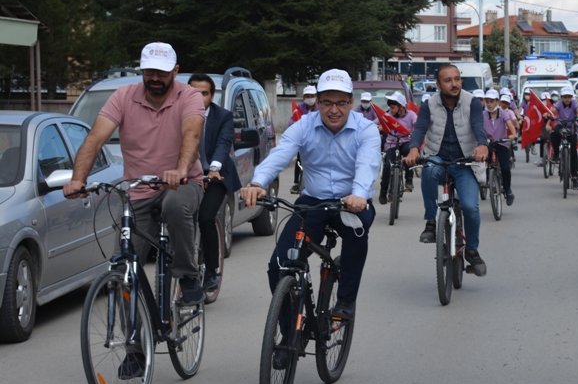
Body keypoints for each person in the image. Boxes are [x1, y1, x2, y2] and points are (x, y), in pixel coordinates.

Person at [64, 42, 206, 307]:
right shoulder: (123, 96)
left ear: (175, 71)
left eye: (162, 72)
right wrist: (78, 179)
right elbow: (95, 138)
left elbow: (192, 133)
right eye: (149, 71)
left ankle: (187, 276)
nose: (155, 78)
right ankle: (133, 332)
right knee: (124, 267)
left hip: (181, 183)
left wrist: (180, 170)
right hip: (138, 189)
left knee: (174, 206)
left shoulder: (189, 96)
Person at [240, 69, 379, 327]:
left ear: (351, 102)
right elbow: (280, 155)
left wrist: (359, 195)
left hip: (351, 203)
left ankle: (346, 300)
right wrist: (258, 183)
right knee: (280, 265)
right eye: (326, 102)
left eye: (341, 103)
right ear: (317, 102)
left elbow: (367, 164)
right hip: (313, 202)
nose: (333, 110)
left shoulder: (366, 129)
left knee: (357, 235)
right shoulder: (304, 125)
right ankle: (288, 331)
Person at [404, 64, 489, 275]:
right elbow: (420, 129)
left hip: (465, 162)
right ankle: (431, 222)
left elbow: (478, 126)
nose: (454, 84)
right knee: (429, 169)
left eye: (457, 79)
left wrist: (482, 145)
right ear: (438, 84)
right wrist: (414, 149)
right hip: (438, 158)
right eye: (448, 80)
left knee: (470, 208)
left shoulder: (472, 102)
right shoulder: (428, 105)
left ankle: (472, 251)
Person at [189, 73, 241, 292]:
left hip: (215, 176)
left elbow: (223, 143)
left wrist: (214, 167)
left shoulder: (223, 116)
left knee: (205, 217)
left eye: (204, 93)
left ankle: (211, 271)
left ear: (211, 96)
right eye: (194, 93)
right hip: (188, 175)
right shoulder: (178, 113)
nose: (199, 98)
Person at [379, 91, 418, 203]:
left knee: (408, 153)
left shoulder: (411, 115)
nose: (391, 110)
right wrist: (378, 127)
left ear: (401, 107)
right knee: (387, 166)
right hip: (392, 143)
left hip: (406, 141)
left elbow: (418, 124)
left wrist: (417, 129)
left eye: (393, 107)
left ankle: (409, 179)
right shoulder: (389, 115)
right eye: (390, 108)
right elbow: (378, 122)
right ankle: (383, 191)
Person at [482, 88, 517, 205]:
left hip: (501, 143)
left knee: (505, 167)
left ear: (497, 102)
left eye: (492, 101)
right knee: (483, 163)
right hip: (488, 143)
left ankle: (508, 190)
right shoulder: (483, 114)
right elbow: (477, 127)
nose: (489, 104)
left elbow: (510, 125)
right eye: (487, 101)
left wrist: (513, 135)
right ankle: (487, 180)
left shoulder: (503, 114)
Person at [547, 85, 578, 190]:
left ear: (572, 97)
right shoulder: (559, 103)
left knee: (573, 151)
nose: (567, 99)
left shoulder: (574, 103)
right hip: (561, 124)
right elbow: (553, 110)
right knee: (554, 134)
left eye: (569, 97)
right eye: (565, 97)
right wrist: (549, 115)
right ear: (561, 97)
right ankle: (556, 154)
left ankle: (574, 177)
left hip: (572, 126)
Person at [290, 85, 318, 193]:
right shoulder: (299, 109)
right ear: (303, 97)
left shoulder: (320, 108)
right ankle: (296, 183)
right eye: (307, 96)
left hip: (317, 139)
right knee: (299, 160)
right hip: (302, 139)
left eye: (312, 96)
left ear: (316, 97)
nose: (310, 98)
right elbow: (292, 121)